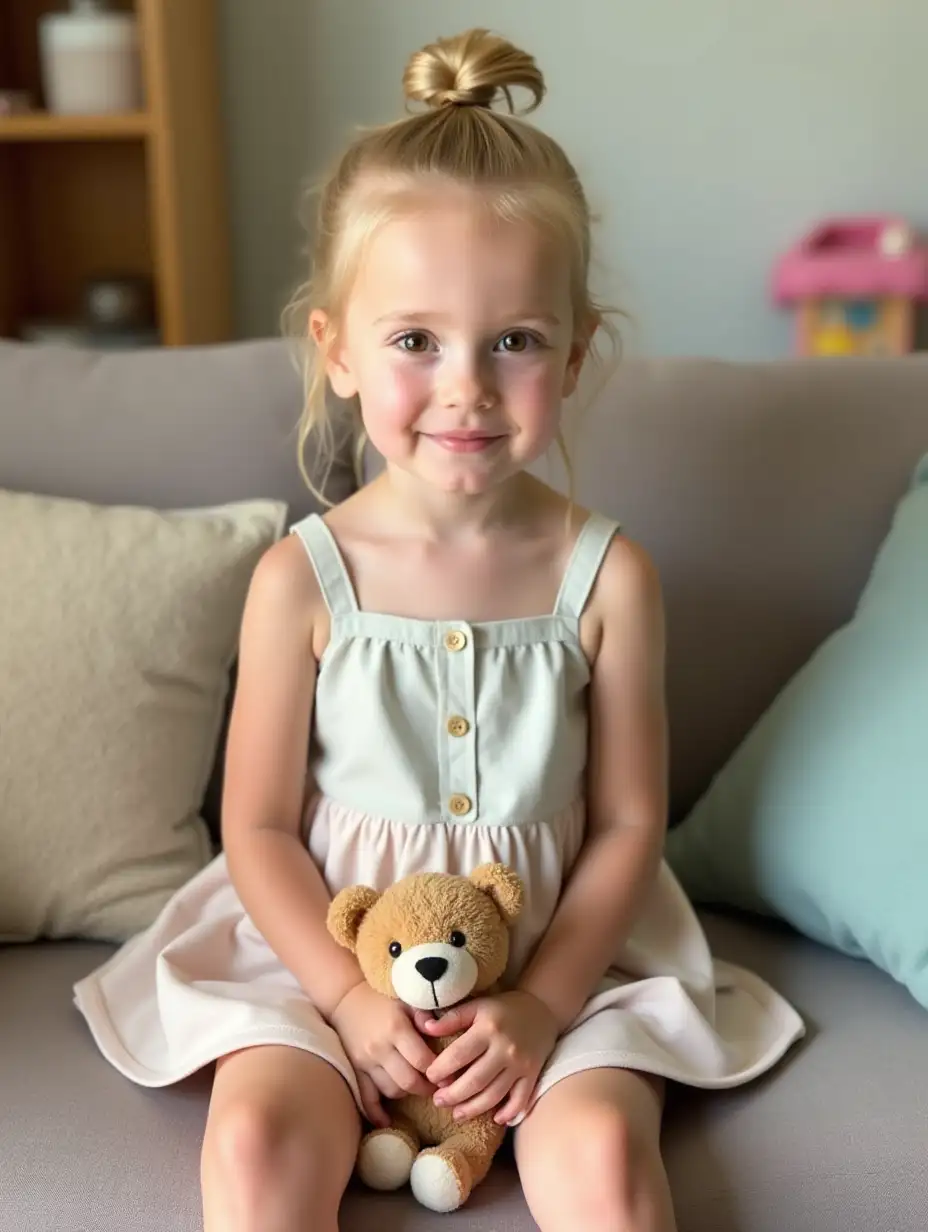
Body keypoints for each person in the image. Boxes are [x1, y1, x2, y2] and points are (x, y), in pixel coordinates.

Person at [74, 27, 804, 1232]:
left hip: (562, 958)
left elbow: (628, 819)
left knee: (605, 1175)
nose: (465, 385)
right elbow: (254, 824)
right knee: (256, 1142)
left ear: (572, 352)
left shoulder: (610, 578)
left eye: (513, 340)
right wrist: (346, 1001)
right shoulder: (298, 579)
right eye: (415, 340)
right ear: (339, 350)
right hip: (323, 955)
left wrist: (543, 1000)